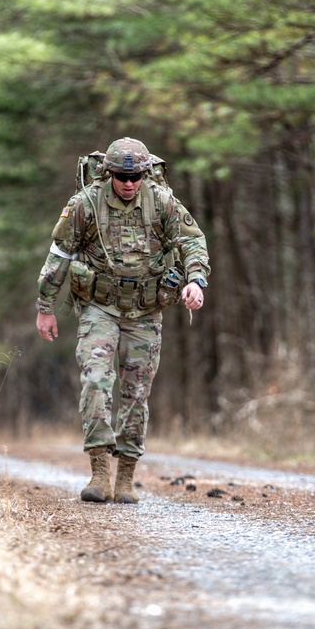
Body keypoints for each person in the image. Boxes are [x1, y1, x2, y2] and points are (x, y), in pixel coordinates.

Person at [35, 137, 210, 504]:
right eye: (121, 176)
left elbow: (191, 241)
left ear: (146, 174)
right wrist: (45, 306)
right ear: (108, 173)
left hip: (146, 310)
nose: (128, 183)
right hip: (100, 306)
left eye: (135, 177)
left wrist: (195, 279)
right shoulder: (85, 204)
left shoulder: (161, 201)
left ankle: (126, 475)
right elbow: (59, 253)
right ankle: (99, 469)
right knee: (97, 380)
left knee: (136, 392)